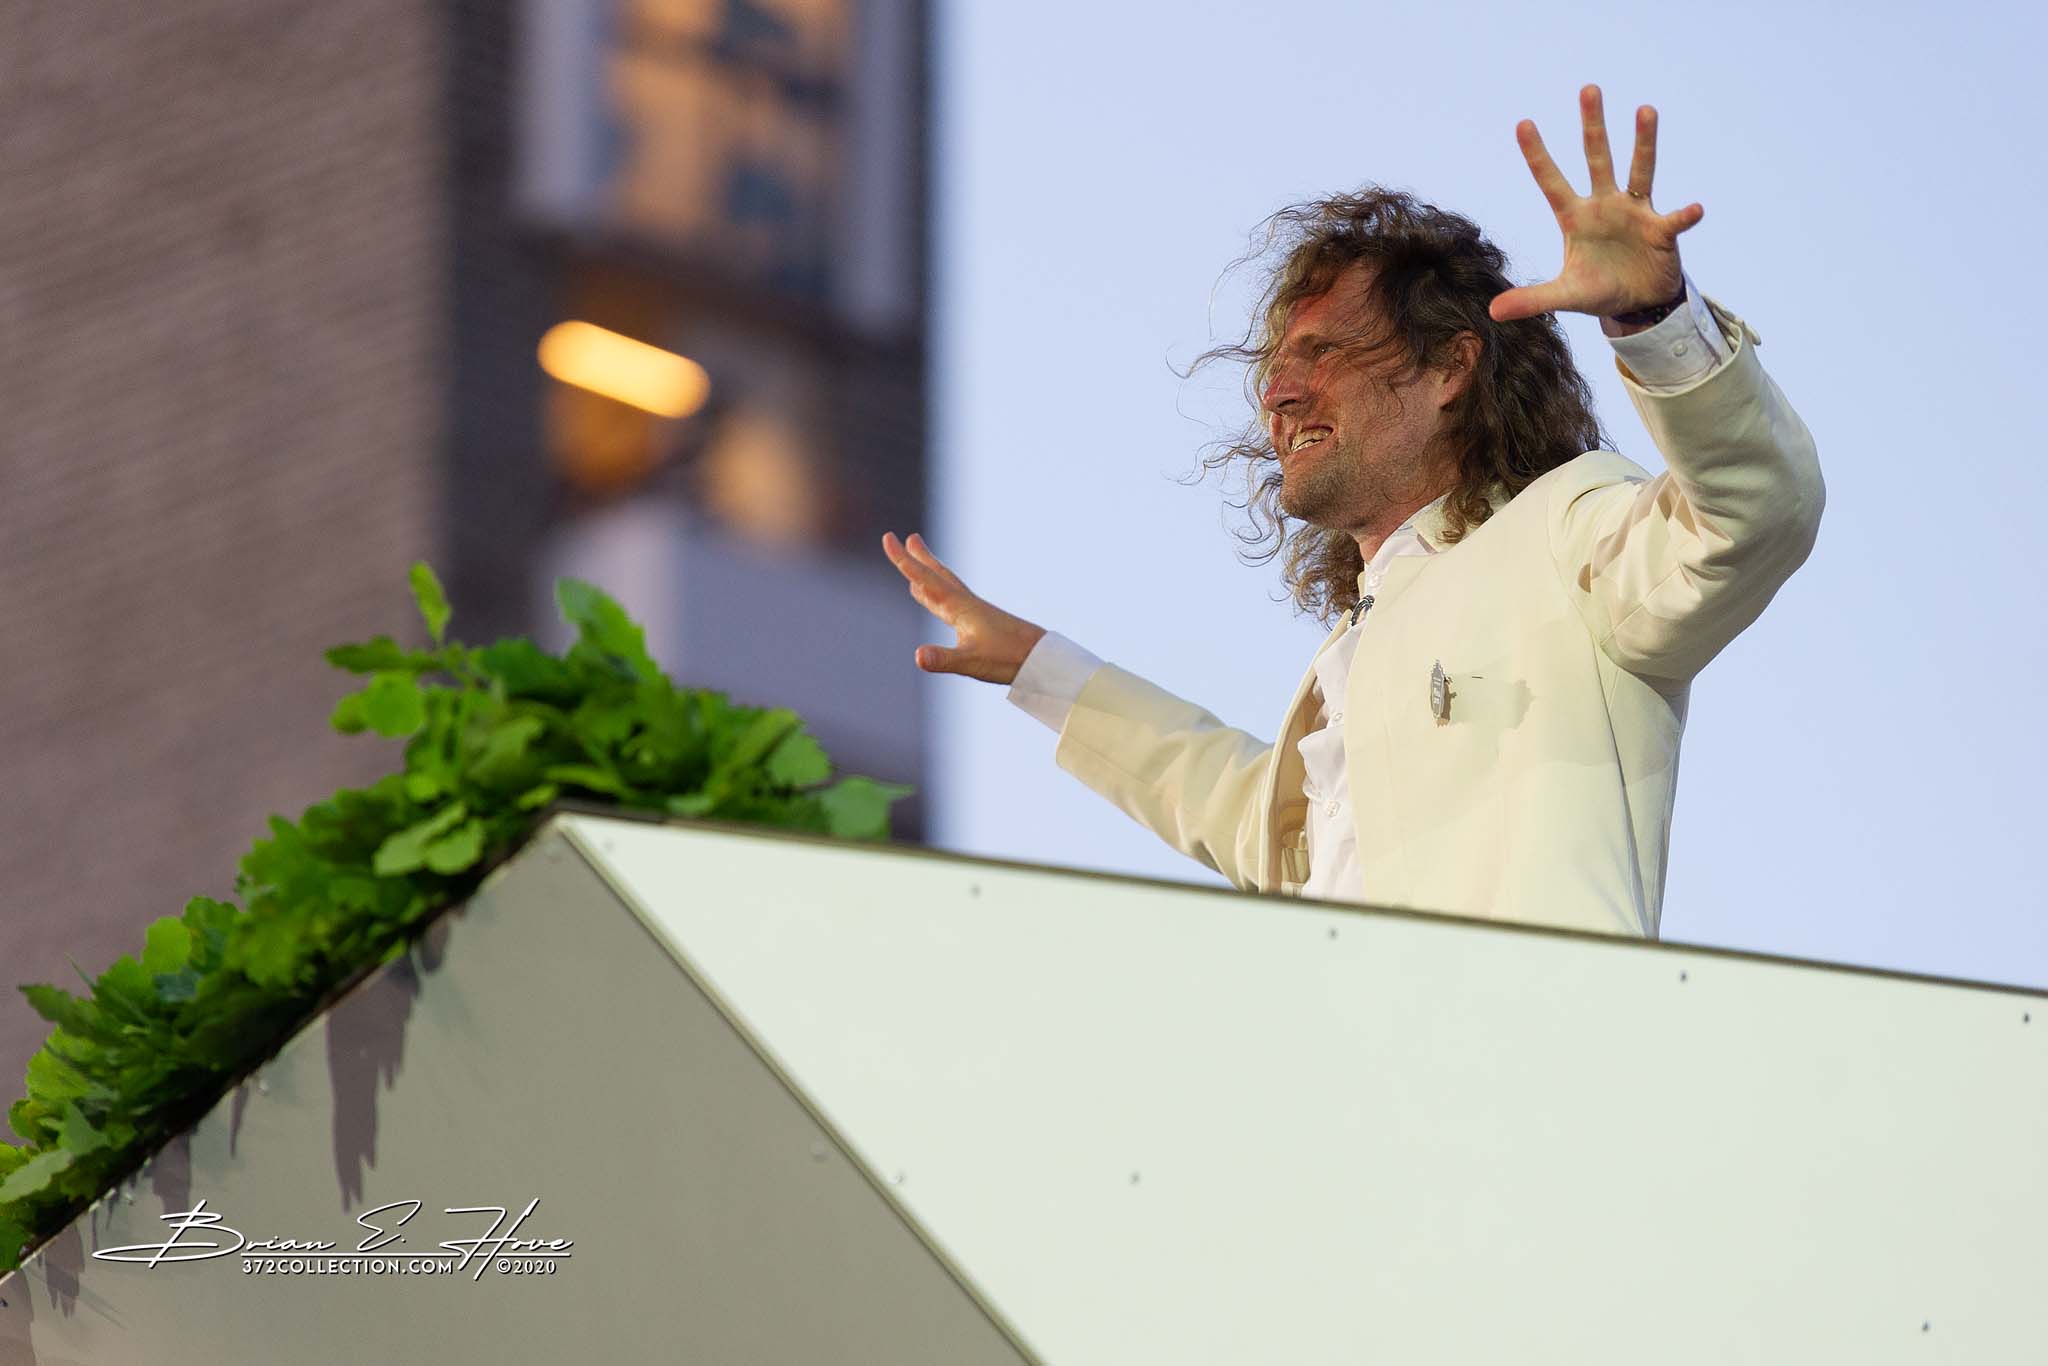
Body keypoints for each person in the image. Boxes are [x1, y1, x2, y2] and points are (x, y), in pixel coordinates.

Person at [882, 86, 1822, 939]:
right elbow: (1240, 809)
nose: (1277, 394)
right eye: (1276, 366)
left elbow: (1751, 515)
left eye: (1323, 352)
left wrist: (1658, 322)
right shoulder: (1362, 639)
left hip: (1523, 1061)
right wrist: (1039, 667)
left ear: (1450, 367)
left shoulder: (1564, 530)